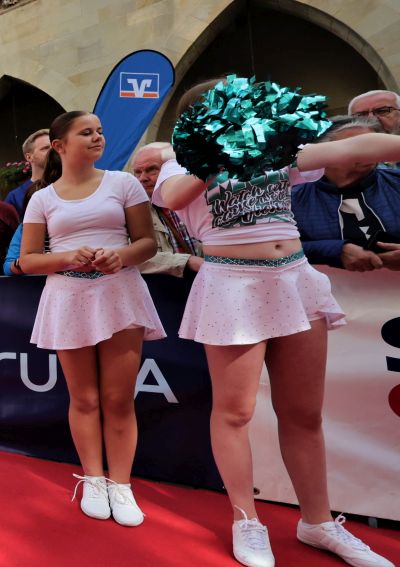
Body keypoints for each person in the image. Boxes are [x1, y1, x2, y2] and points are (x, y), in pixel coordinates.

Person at [155, 78, 400, 567]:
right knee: (236, 412)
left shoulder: (274, 148)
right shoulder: (180, 161)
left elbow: (357, 145)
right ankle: (247, 519)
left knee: (304, 414)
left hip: (293, 280)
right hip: (232, 286)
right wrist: (221, 146)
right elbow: (174, 197)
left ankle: (318, 522)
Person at [17, 110, 164, 528]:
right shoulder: (42, 198)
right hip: (67, 296)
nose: (97, 137)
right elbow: (27, 260)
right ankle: (94, 478)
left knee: (119, 399)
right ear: (60, 146)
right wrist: (65, 256)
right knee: (83, 398)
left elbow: (148, 243)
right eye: (87, 132)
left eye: (100, 131)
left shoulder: (124, 183)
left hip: (119, 294)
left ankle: (121, 484)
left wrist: (119, 256)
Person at [291, 116, 400, 271]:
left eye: (373, 145)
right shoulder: (292, 200)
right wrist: (334, 250)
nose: (369, 153)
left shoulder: (396, 182)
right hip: (333, 292)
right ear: (321, 154)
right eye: (355, 147)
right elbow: (271, 248)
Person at [130, 143, 205, 276]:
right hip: (165, 290)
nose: (143, 178)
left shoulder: (204, 197)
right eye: (138, 172)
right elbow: (130, 256)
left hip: (210, 282)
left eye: (151, 169)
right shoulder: (130, 209)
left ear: (175, 169)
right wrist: (187, 262)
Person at [3, 129, 52, 216]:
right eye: (45, 148)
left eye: (54, 146)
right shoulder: (15, 197)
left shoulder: (71, 185)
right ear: (29, 157)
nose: (52, 151)